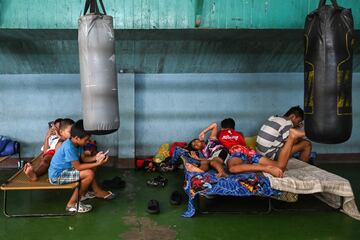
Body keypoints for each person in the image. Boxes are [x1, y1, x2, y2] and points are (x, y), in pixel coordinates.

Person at [48, 119, 110, 213]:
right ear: (77, 138)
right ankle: (72, 204)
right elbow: (78, 167)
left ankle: (87, 193)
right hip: (57, 176)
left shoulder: (77, 144)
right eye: (86, 140)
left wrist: (96, 157)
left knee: (90, 168)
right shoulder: (69, 147)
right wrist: (98, 163)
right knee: (89, 173)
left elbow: (84, 159)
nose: (88, 142)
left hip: (66, 170)